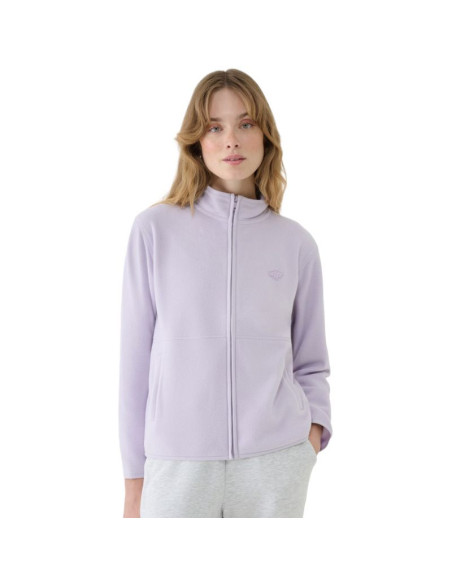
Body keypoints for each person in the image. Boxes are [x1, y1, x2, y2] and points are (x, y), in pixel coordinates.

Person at [119, 69, 332, 518]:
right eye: (215, 127)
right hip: (177, 463)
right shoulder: (155, 230)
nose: (231, 140)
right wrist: (134, 480)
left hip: (276, 462)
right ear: (197, 141)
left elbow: (311, 360)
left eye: (245, 123)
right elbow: (135, 363)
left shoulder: (296, 243)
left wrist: (310, 436)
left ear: (265, 135)